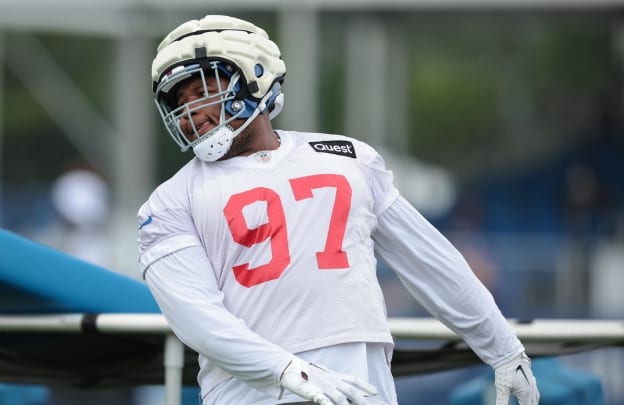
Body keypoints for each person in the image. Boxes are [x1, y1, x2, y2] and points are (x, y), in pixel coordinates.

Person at [136, 14, 540, 405]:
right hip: (253, 394)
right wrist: (286, 370)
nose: (188, 112)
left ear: (252, 73)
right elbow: (197, 318)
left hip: (363, 388)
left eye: (201, 90)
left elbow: (429, 261)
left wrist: (504, 349)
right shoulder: (170, 201)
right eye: (179, 99)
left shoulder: (349, 158)